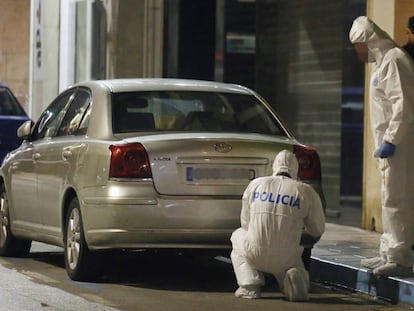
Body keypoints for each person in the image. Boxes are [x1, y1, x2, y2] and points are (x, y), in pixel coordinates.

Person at [349, 16, 414, 277]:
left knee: (397, 200)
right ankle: (388, 252)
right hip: (389, 148)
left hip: (398, 146)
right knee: (390, 199)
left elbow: (404, 106)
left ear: (368, 42)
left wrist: (390, 140)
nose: (357, 53)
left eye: (358, 47)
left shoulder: (395, 60)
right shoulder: (382, 63)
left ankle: (400, 258)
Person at [230, 149, 325, 301]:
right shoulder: (306, 191)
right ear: (296, 169)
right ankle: (294, 279)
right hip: (287, 255)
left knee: (237, 235)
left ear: (274, 167)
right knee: (292, 263)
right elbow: (317, 229)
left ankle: (250, 286)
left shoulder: (256, 184)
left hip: (254, 252)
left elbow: (245, 223)